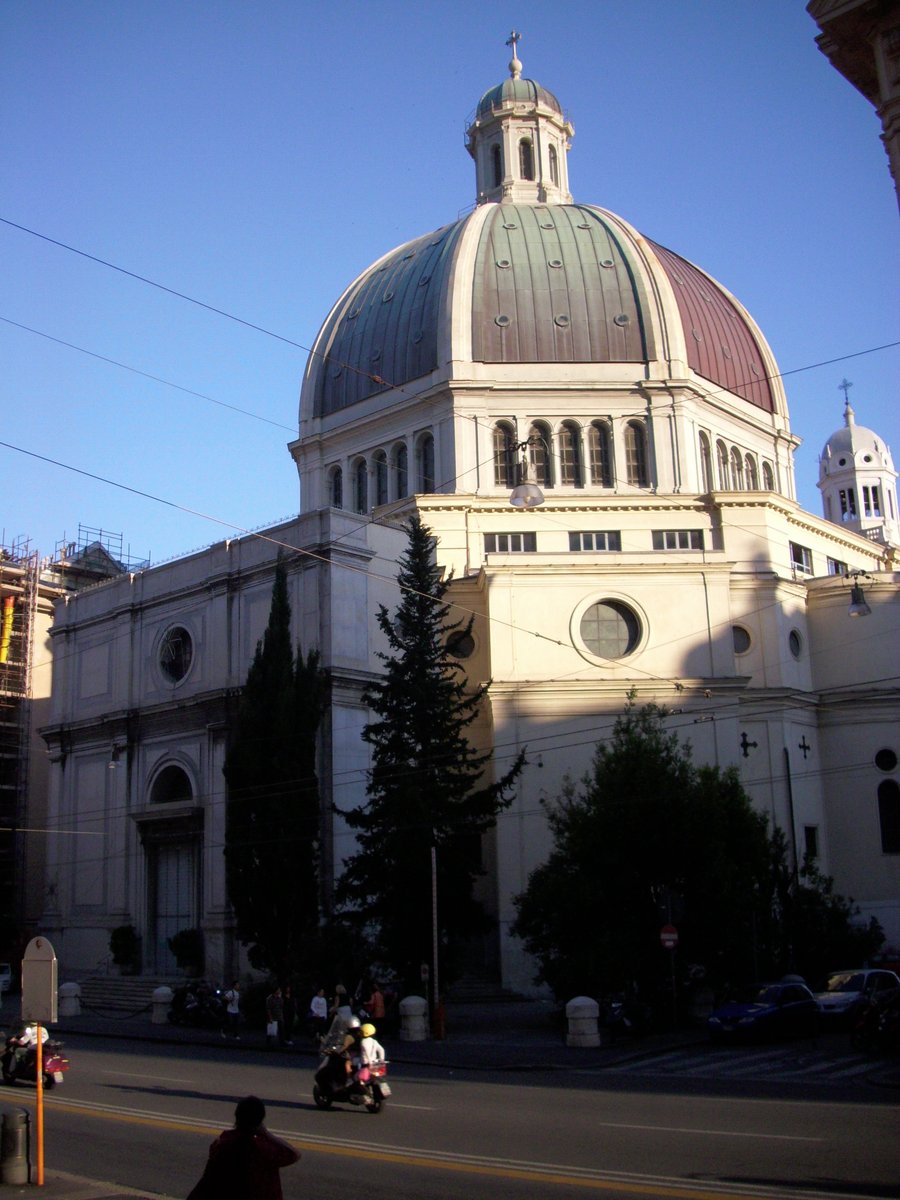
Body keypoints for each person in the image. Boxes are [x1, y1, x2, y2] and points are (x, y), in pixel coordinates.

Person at [187, 1095, 299, 1200]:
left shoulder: (222, 1142)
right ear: (260, 1121)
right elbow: (294, 1153)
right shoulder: (262, 1148)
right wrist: (266, 1134)